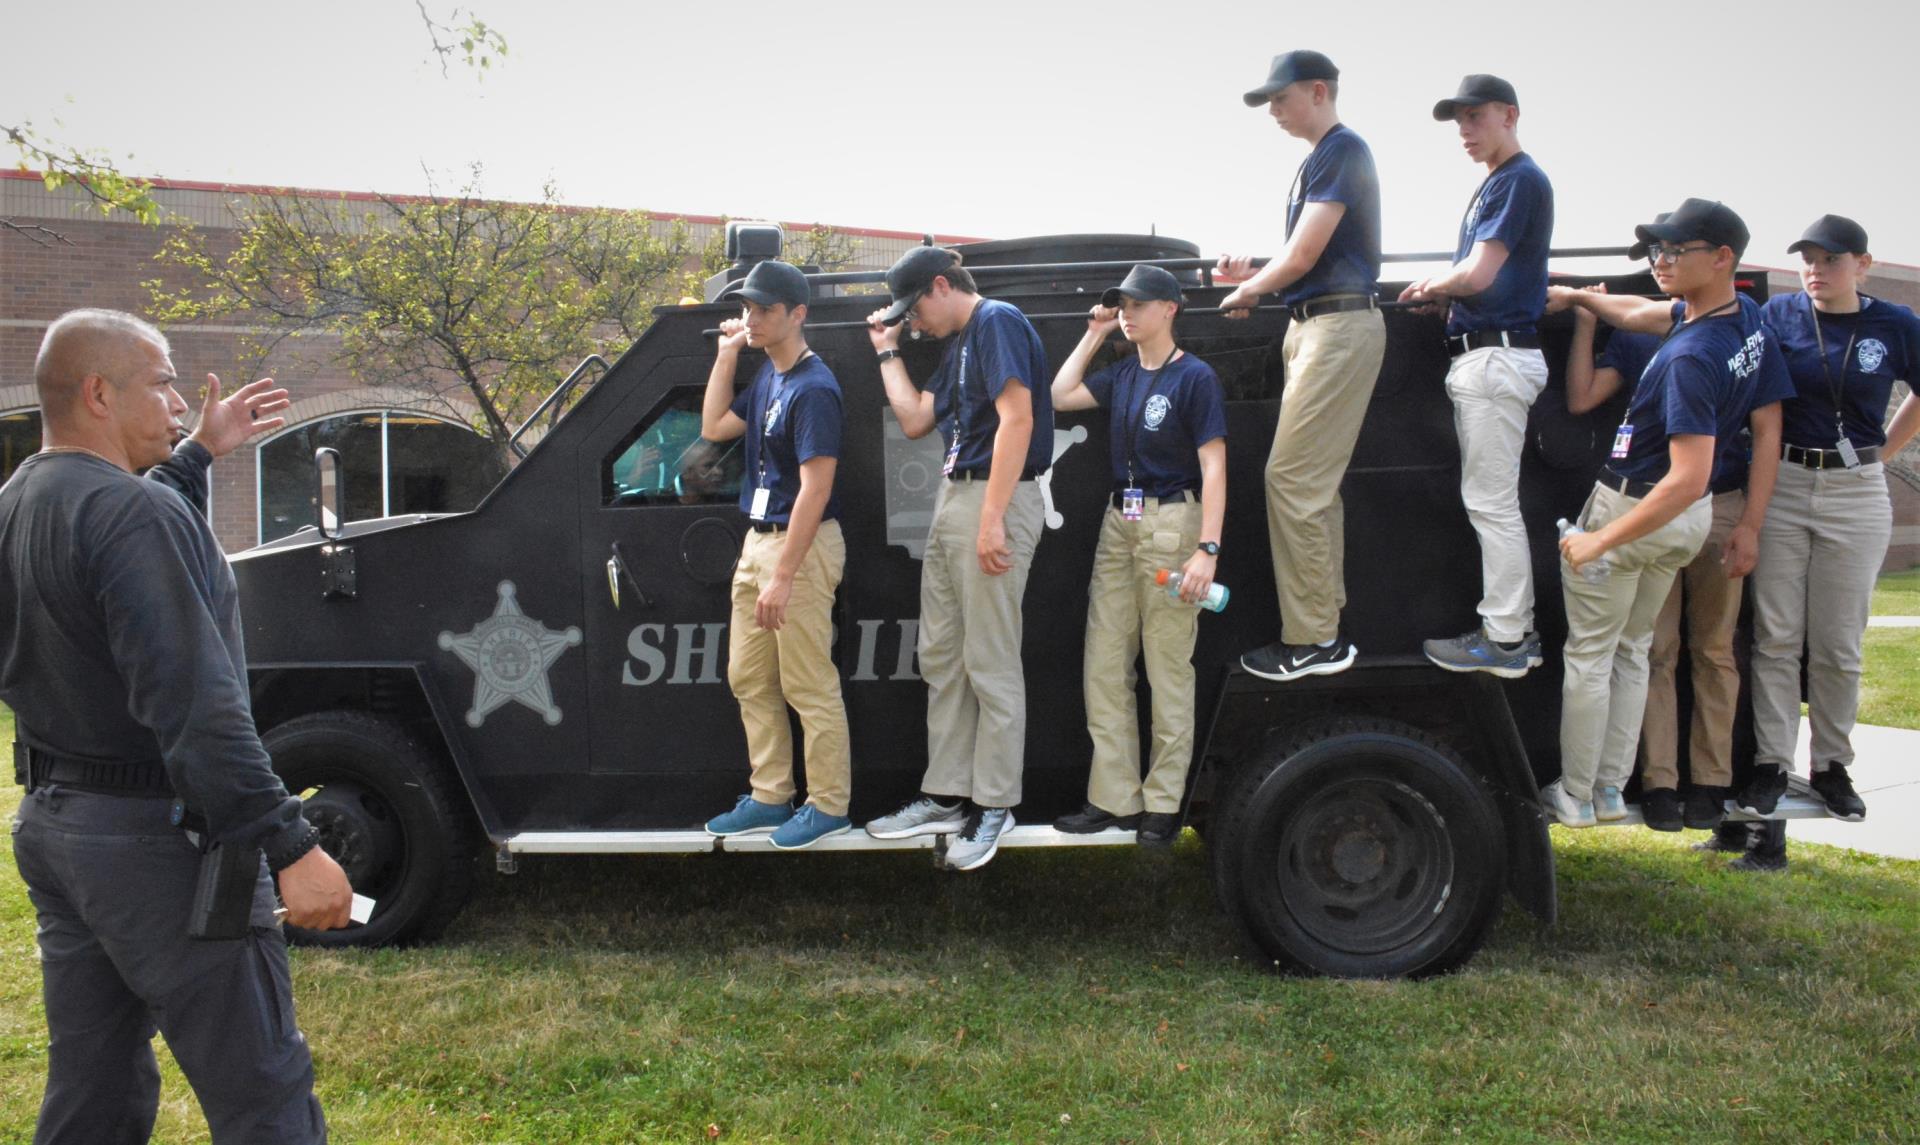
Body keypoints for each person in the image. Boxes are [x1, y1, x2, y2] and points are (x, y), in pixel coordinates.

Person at [1, 309, 353, 1143]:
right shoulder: (130, 516)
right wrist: (291, 844)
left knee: (94, 1084)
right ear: (97, 392)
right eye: (161, 382)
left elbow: (112, 537)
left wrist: (198, 452)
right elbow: (197, 710)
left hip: (58, 829)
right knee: (265, 1091)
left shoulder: (21, 497)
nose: (176, 400)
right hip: (159, 845)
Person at [1540, 199, 1779, 827]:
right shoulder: (1738, 317)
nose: (1661, 262)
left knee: (1592, 656)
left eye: (1677, 251)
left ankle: (1575, 795)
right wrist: (1579, 298)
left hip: (1640, 507)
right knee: (1632, 650)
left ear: (1723, 257)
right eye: (1657, 251)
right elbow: (1642, 312)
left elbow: (1687, 476)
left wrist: (1599, 541)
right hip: (1684, 524)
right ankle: (1613, 792)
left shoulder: (1691, 358)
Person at [863, 247, 1053, 870]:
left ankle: (995, 805)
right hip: (955, 494)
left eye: (914, 308)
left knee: (989, 657)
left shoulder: (996, 320)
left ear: (941, 286)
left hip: (993, 496)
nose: (912, 322)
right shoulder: (959, 344)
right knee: (942, 654)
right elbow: (917, 419)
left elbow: (1018, 419)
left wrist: (993, 518)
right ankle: (946, 795)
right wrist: (887, 352)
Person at [1739, 214, 1920, 823]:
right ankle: (1770, 763)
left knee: (1839, 643)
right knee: (1777, 636)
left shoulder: (1895, 324)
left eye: (1831, 260)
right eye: (1808, 259)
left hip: (1858, 493)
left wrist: (1880, 456)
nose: (1816, 271)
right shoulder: (1779, 316)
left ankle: (1831, 767)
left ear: (1862, 265)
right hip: (1785, 483)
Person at [1216, 50, 1385, 681]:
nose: (1273, 112)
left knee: (1290, 481)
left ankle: (1315, 637)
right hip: (1315, 324)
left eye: (1279, 99)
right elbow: (1302, 254)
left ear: (1318, 91)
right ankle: (1325, 622)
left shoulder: (1343, 150)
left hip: (1337, 327)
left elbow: (1307, 251)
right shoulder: (1319, 160)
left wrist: (1250, 288)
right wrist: (1255, 271)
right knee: (1311, 486)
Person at [1047, 265, 1228, 847]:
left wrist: (1208, 549)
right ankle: (1114, 797)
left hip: (1174, 525)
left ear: (1170, 309)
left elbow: (1215, 465)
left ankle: (1162, 804)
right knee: (1104, 663)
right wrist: (1096, 333)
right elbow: (1059, 394)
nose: (1127, 312)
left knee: (1168, 667)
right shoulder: (1122, 372)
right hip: (1120, 523)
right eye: (1120, 304)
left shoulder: (1194, 377)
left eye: (1137, 304)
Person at [1402, 75, 1555, 678]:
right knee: (1490, 501)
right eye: (1459, 121)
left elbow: (1479, 272)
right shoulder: (1501, 182)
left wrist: (1436, 285)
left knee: (1492, 504)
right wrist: (1447, 301)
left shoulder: (1518, 179)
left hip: (1496, 359)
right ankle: (1512, 632)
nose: (1465, 131)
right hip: (1489, 351)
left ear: (1509, 115)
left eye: (1475, 118)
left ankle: (1509, 638)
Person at [697, 260, 854, 849]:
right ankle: (770, 794)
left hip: (800, 547)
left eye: (764, 310)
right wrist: (727, 354)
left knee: (808, 684)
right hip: (757, 541)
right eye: (748, 309)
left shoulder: (814, 387)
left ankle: (829, 805)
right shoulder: (768, 376)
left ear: (798, 314)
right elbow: (714, 426)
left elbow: (817, 487)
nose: (752, 318)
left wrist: (784, 576)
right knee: (748, 675)